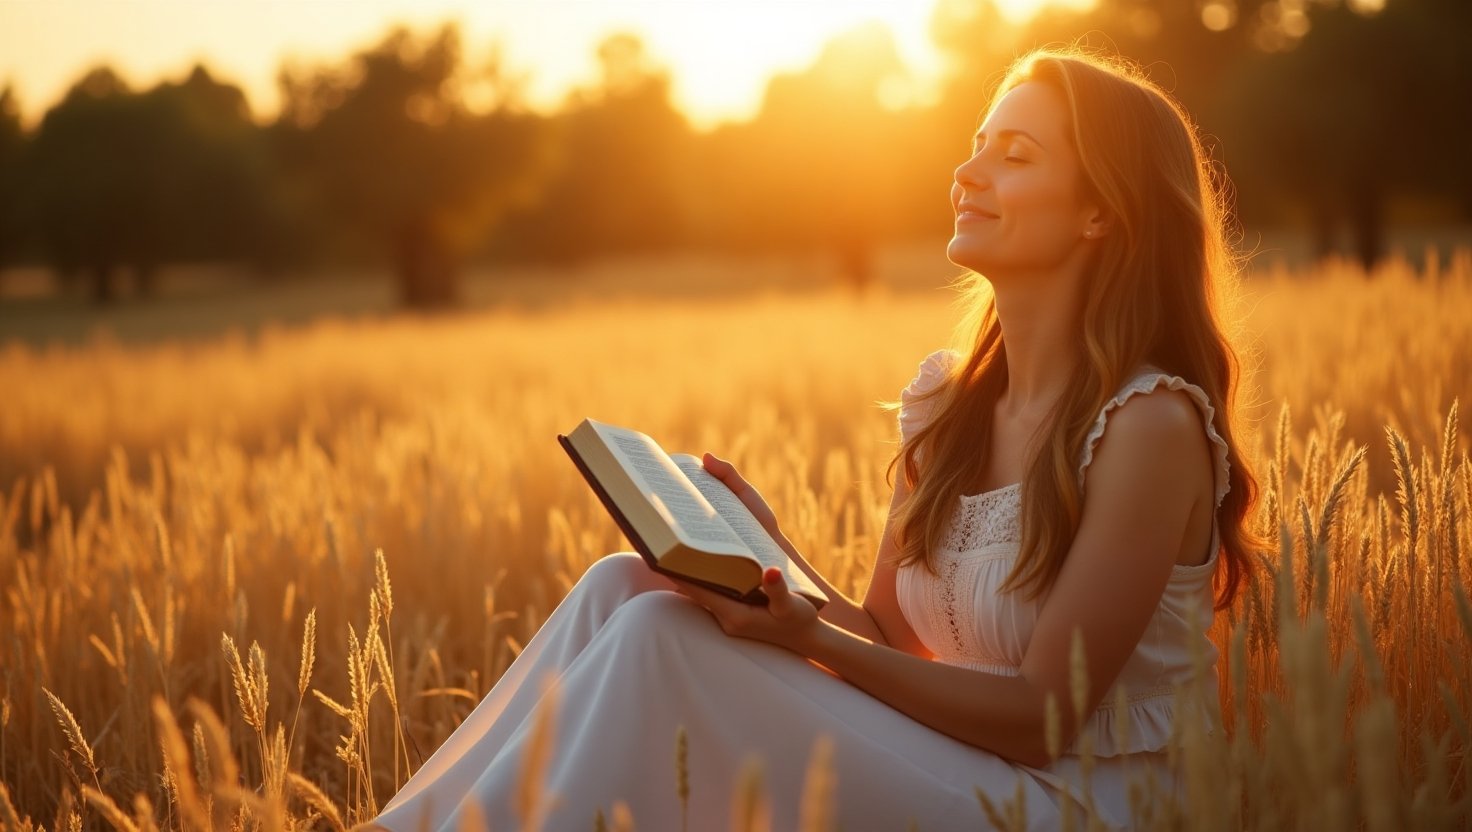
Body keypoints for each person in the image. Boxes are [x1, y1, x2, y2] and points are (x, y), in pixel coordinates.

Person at [372, 47, 1261, 832]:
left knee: (656, 637)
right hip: (962, 767)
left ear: (1101, 212)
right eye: (977, 144)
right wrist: (774, 561)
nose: (967, 172)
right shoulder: (948, 405)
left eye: (1015, 155)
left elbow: (1042, 719)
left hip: (1076, 801)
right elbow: (890, 639)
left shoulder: (1148, 426)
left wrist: (813, 641)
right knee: (625, 585)